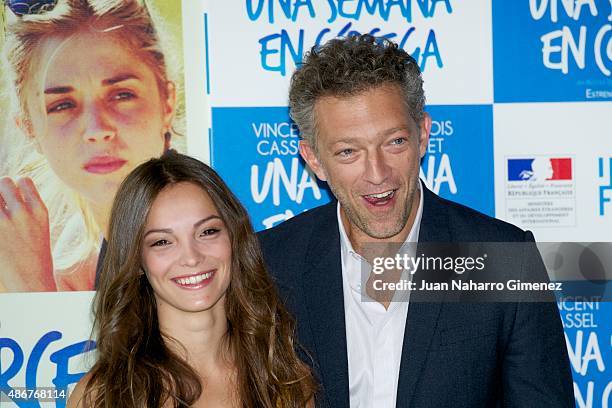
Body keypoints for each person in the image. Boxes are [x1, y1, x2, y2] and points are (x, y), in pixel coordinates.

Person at [258, 34, 575, 407]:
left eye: (394, 142)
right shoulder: (271, 262)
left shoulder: (504, 260)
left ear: (423, 135)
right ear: (313, 159)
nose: (377, 174)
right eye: (348, 151)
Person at [67, 151, 316, 407]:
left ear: (234, 238)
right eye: (162, 242)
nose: (191, 257)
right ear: (136, 260)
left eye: (208, 232)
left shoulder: (286, 381)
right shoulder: (103, 395)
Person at [0, 0, 183, 292]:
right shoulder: (36, 256)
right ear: (29, 128)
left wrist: (32, 290)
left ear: (168, 102)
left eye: (122, 95)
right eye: (62, 105)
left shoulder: (215, 239)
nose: (97, 130)